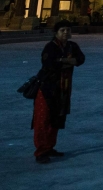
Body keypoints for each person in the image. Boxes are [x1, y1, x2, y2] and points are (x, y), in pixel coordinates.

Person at [32, 20, 85, 164]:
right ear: (56, 32)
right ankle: (40, 151)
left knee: (57, 118)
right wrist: (67, 61)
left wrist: (63, 61)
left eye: (68, 30)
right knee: (43, 119)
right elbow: (49, 64)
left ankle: (49, 147)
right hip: (47, 88)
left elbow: (81, 59)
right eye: (62, 30)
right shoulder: (51, 47)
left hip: (63, 88)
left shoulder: (72, 46)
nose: (66, 33)